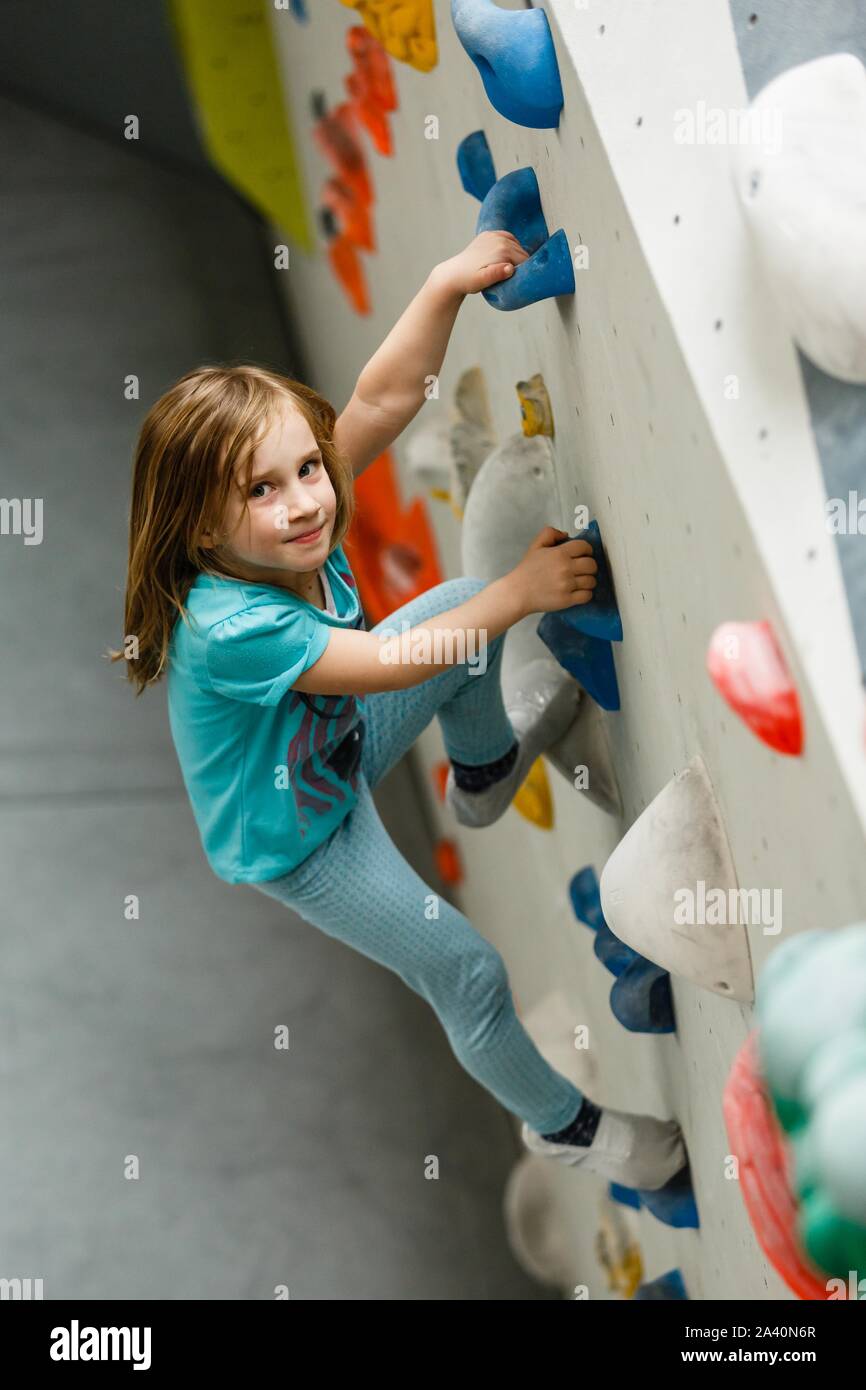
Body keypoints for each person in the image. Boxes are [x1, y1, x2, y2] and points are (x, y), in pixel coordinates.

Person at [109, 231, 688, 1193]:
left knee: (450, 607)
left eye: (305, 468)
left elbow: (380, 398)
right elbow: (387, 664)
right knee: (466, 973)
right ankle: (567, 1128)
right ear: (204, 525)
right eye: (264, 490)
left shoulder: (298, 512)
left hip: (332, 744)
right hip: (302, 835)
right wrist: (521, 589)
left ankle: (486, 771)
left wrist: (443, 285)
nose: (304, 504)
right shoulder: (228, 625)